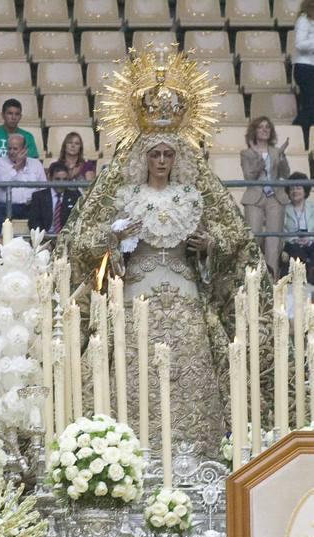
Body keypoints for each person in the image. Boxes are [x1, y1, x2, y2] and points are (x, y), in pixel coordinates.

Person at [61, 48, 266, 460]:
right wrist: (113, 241)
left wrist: (210, 246)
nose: (160, 160)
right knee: (134, 379)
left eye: (167, 153)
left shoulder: (193, 196)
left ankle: (198, 458)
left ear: (177, 156)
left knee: (189, 377)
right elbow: (85, 242)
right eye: (153, 153)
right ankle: (128, 458)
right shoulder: (126, 195)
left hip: (186, 299)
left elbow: (233, 237)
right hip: (136, 298)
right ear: (143, 156)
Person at [242, 116, 292, 273]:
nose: (264, 130)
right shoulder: (246, 153)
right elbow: (249, 177)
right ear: (254, 131)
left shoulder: (276, 152)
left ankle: (273, 282)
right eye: (260, 127)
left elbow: (286, 173)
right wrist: (259, 161)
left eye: (267, 127)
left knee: (273, 241)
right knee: (254, 239)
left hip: (275, 198)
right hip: (255, 197)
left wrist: (282, 156)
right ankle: (253, 278)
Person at [0, 133, 47, 234]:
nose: (11, 152)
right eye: (9, 148)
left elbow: (43, 188)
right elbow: (3, 183)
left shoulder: (36, 163)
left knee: (43, 210)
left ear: (24, 149)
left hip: (31, 206)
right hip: (7, 206)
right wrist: (17, 166)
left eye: (15, 149)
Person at [0, 97, 40, 168]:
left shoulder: (28, 137)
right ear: (3, 115)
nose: (13, 117)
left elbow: (32, 163)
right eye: (10, 113)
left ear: (20, 117)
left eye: (17, 114)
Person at [28, 163, 80, 237]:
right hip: (43, 238)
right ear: (50, 178)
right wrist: (43, 237)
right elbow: (33, 222)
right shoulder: (39, 196)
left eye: (65, 179)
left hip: (66, 239)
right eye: (57, 179)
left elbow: (77, 222)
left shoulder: (75, 196)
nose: (61, 183)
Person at [286, 174, 314, 269]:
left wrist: (310, 239)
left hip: (311, 241)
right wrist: (294, 239)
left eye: (298, 188)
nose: (295, 191)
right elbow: (282, 230)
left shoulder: (312, 207)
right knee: (297, 253)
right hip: (293, 243)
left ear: (305, 190)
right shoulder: (284, 209)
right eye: (292, 188)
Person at [296, 0, 314, 141]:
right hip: (305, 67)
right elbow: (300, 44)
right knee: (310, 106)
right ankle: (297, 133)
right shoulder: (304, 20)